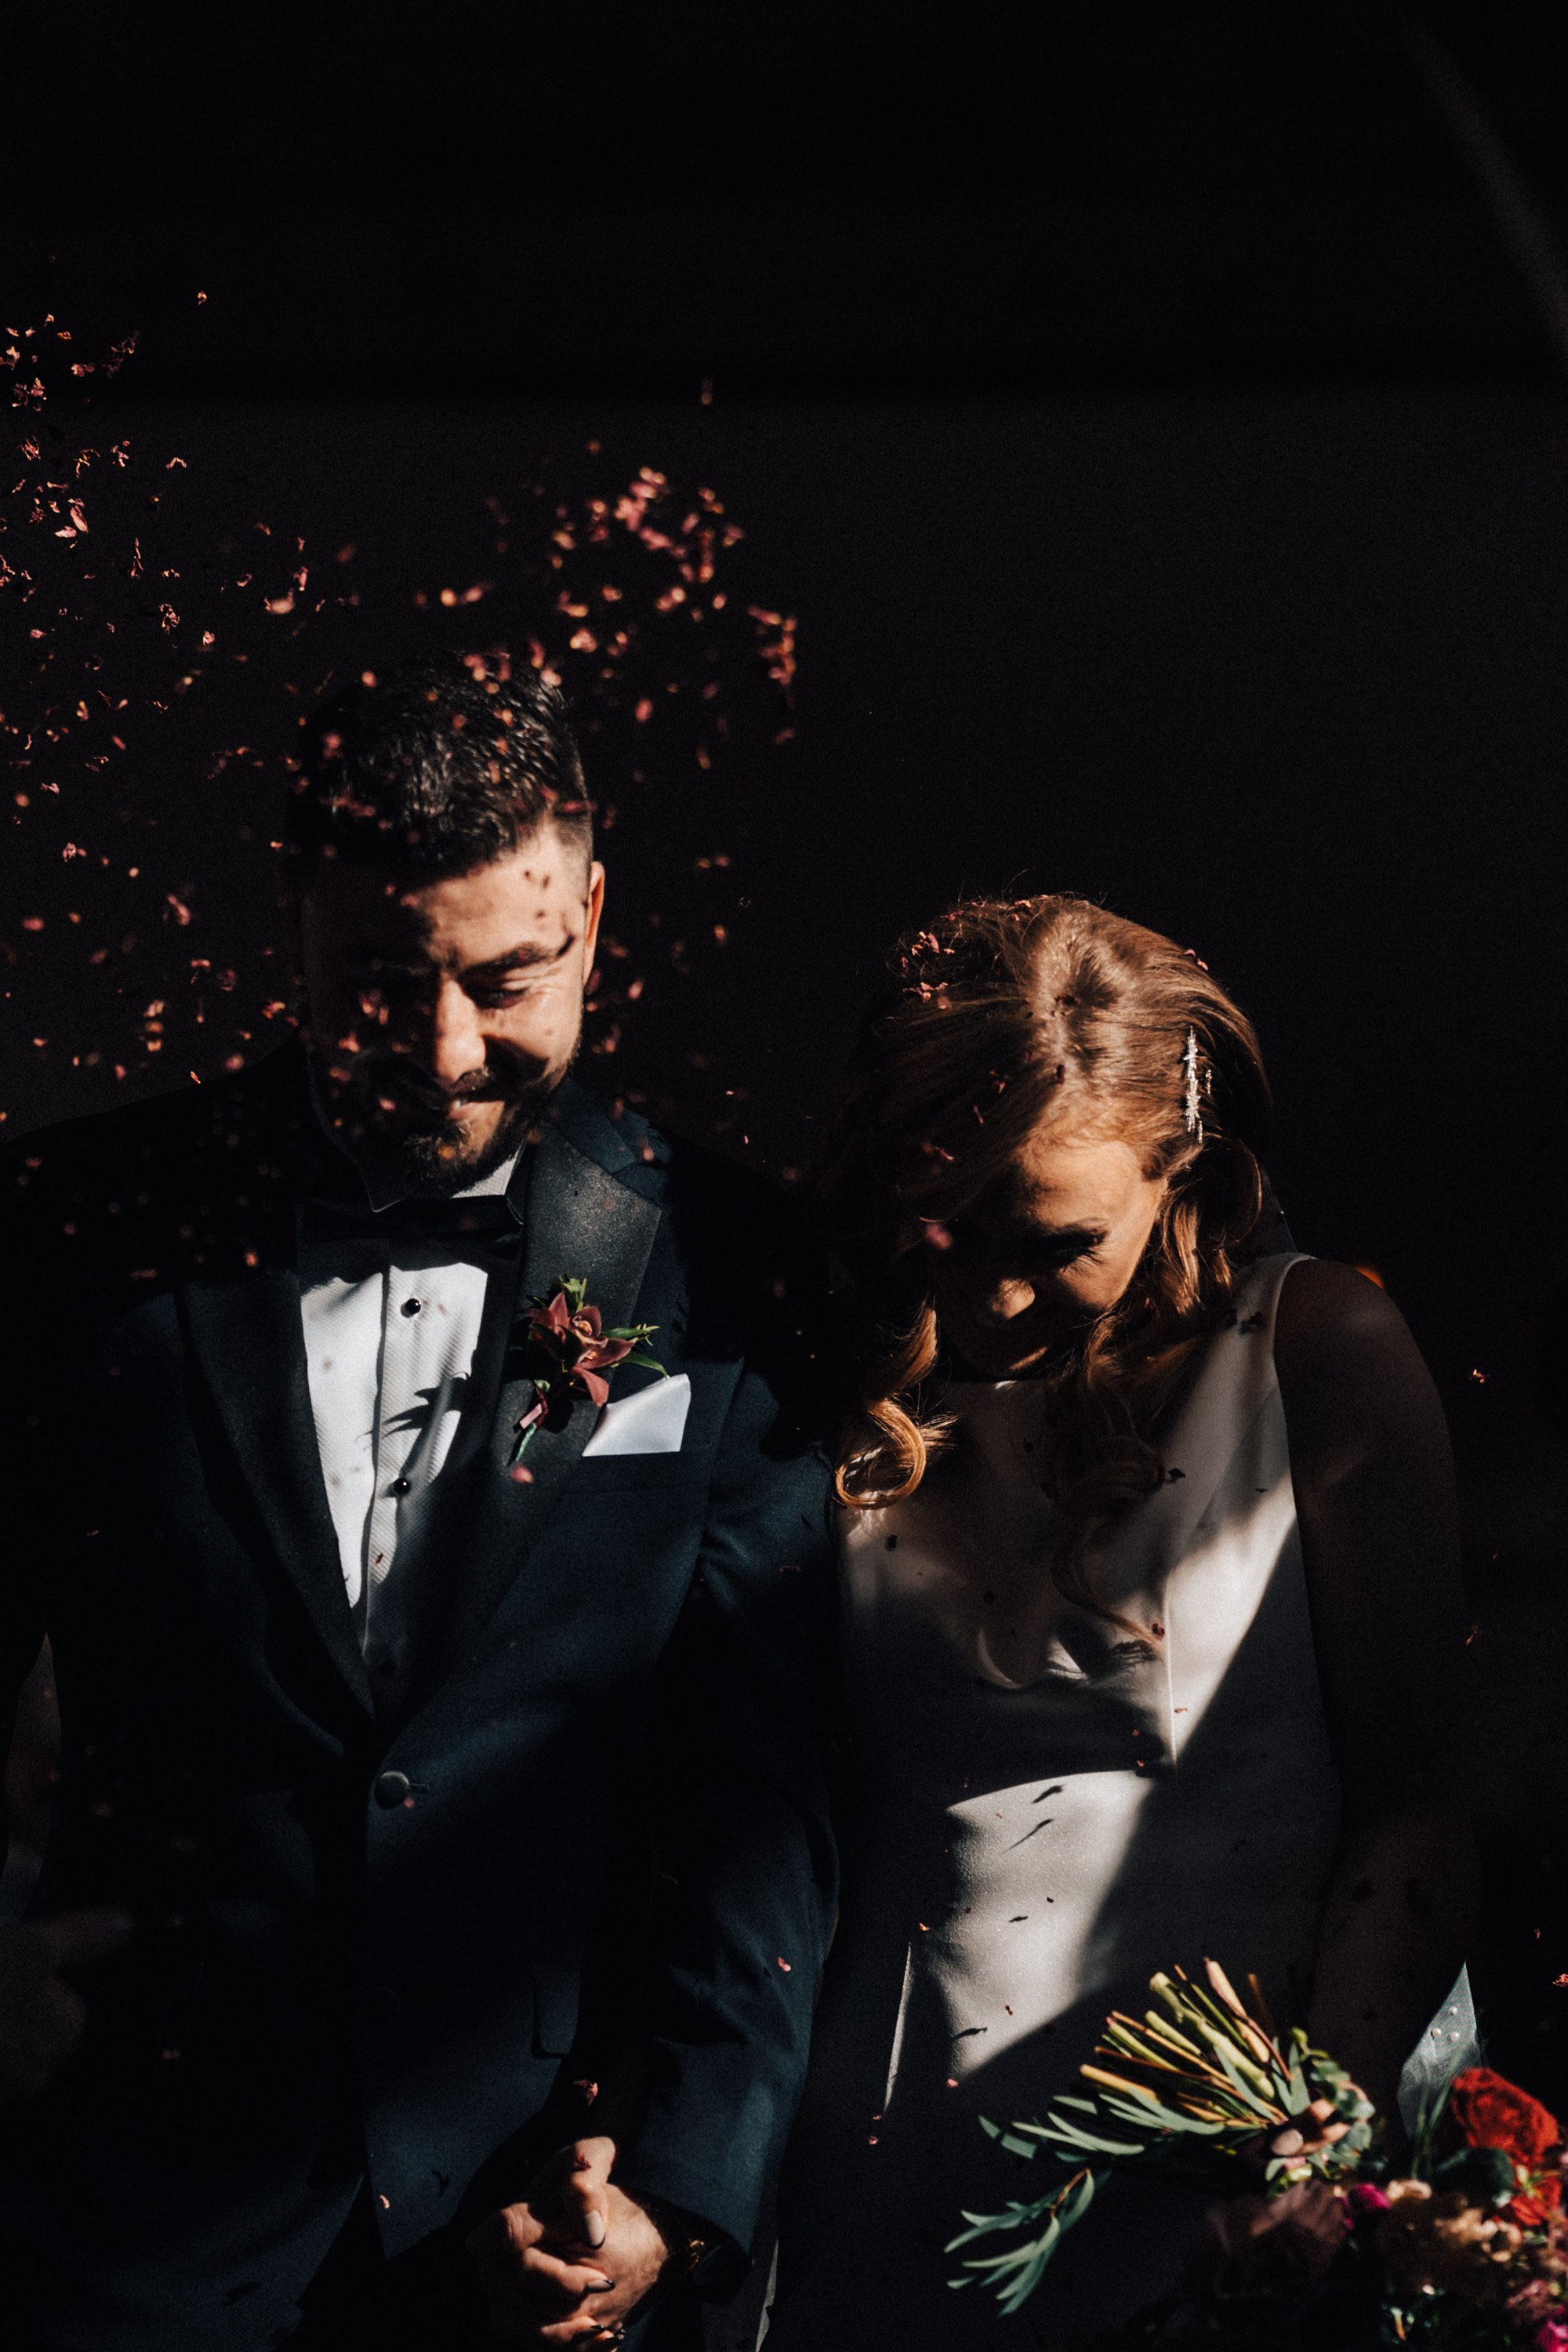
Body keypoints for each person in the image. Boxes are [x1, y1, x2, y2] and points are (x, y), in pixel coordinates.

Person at [0, 654, 836, 2350]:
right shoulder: (72, 1228)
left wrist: (675, 2191)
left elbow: (759, 1798)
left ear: (593, 916)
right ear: (291, 929)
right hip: (128, 2212)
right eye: (376, 980)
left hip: (524, 2228)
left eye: (505, 978)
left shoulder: (730, 1267)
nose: (444, 1051)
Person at [763, 894, 1476, 2349]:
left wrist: (1314, 2156)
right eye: (950, 1225)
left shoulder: (1319, 1351)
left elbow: (1417, 1807)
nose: (994, 1292)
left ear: (1182, 1168)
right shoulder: (836, 1370)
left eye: (1058, 1238)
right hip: (874, 2165)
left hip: (1217, 2192)